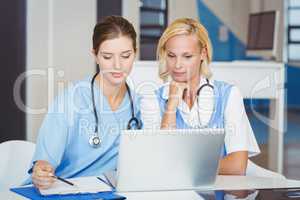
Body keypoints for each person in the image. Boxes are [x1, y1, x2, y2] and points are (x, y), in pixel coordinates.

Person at [26, 16, 142, 189]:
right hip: (63, 189)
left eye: (126, 56)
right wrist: (41, 171)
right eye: (107, 56)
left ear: (135, 53)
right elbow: (44, 161)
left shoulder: (140, 106)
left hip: (111, 192)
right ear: (95, 55)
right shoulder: (72, 99)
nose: (117, 65)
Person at [141, 18, 260, 175]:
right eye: (171, 55)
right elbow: (161, 162)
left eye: (187, 56)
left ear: (203, 54)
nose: (177, 65)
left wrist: (183, 167)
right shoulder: (152, 100)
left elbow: (237, 166)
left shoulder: (228, 95)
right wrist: (171, 107)